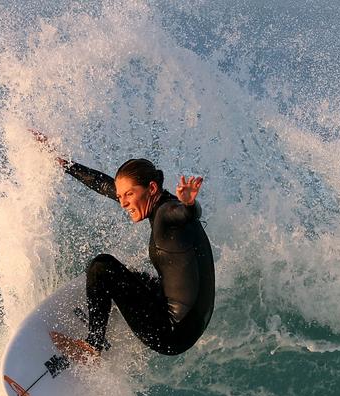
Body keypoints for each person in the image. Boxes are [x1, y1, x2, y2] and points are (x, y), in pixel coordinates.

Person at [33, 131, 215, 359]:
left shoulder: (167, 213)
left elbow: (187, 214)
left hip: (171, 333)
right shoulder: (160, 204)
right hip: (193, 325)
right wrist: (63, 163)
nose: (123, 202)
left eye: (129, 194)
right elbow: (104, 185)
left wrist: (189, 204)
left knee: (101, 267)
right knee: (138, 276)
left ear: (151, 188)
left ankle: (93, 346)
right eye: (120, 196)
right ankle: (111, 312)